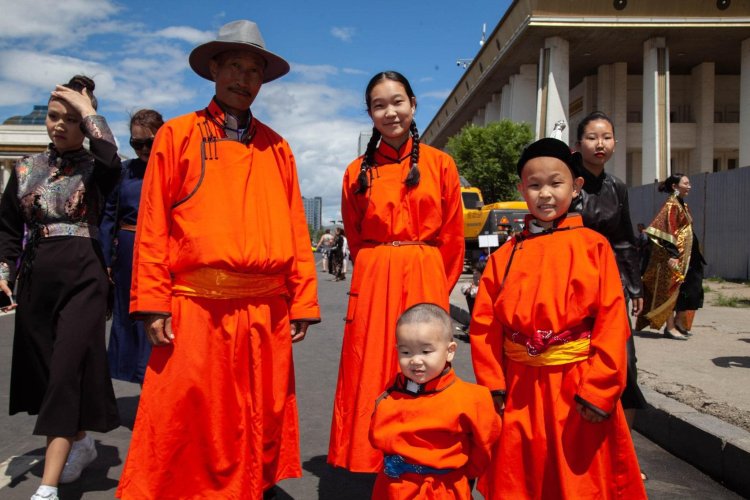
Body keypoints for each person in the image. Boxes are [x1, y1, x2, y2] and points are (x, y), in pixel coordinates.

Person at [115, 20, 320, 499]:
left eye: (253, 70)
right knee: (187, 417)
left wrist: (304, 301)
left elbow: (295, 229)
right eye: (234, 66)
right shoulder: (176, 135)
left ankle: (249, 488)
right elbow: (152, 225)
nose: (243, 79)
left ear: (263, 80)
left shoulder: (278, 148)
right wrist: (153, 301)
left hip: (265, 309)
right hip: (195, 305)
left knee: (257, 413)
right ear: (213, 68)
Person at [469, 138, 646, 499]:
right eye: (534, 185)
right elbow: (485, 326)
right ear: (521, 189)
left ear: (576, 186)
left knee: (580, 481)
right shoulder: (505, 255)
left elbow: (613, 322)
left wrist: (600, 390)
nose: (545, 194)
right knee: (523, 479)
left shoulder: (594, 246)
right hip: (520, 389)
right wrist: (492, 384)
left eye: (555, 183)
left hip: (576, 387)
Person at [328, 71, 465, 472]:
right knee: (371, 368)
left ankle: (428, 454)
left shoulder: (441, 165)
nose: (390, 112)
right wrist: (377, 266)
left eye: (397, 101)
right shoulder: (357, 172)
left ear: (413, 104)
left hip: (425, 274)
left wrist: (437, 286)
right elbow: (355, 237)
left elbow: (453, 238)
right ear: (370, 113)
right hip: (374, 277)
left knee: (426, 364)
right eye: (379, 105)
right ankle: (372, 458)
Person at [0, 75, 121, 500]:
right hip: (37, 279)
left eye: (70, 119)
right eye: (54, 117)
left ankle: (47, 488)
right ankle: (81, 440)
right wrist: (3, 268)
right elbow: (9, 228)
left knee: (67, 368)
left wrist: (88, 109)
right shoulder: (26, 167)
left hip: (84, 276)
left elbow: (110, 153)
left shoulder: (98, 168)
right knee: (50, 371)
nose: (59, 126)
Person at [572, 111, 648, 455]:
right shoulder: (567, 182)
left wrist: (635, 287)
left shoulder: (617, 186)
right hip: (572, 285)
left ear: (615, 142)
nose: (599, 144)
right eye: (592, 137)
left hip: (610, 286)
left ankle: (624, 453)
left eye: (606, 137)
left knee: (624, 365)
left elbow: (625, 239)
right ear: (578, 144)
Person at [369, 303, 501, 499]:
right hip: (394, 488)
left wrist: (461, 473)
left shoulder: (473, 398)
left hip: (445, 489)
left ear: (450, 350)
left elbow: (484, 448)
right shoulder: (393, 392)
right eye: (406, 352)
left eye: (426, 351)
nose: (415, 360)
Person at [99, 109, 164, 385]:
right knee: (133, 318)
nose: (144, 149)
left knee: (162, 316)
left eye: (150, 142)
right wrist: (106, 261)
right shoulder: (124, 172)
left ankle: (162, 385)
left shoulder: (176, 167)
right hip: (128, 253)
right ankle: (142, 381)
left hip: (164, 253)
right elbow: (108, 217)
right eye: (136, 144)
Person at [637, 173, 706, 340]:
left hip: (688, 256)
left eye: (689, 183)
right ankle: (670, 327)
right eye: (685, 183)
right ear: (675, 186)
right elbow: (664, 230)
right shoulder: (671, 205)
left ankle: (680, 323)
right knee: (671, 291)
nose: (689, 186)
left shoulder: (682, 204)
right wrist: (673, 255)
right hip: (676, 256)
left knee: (690, 289)